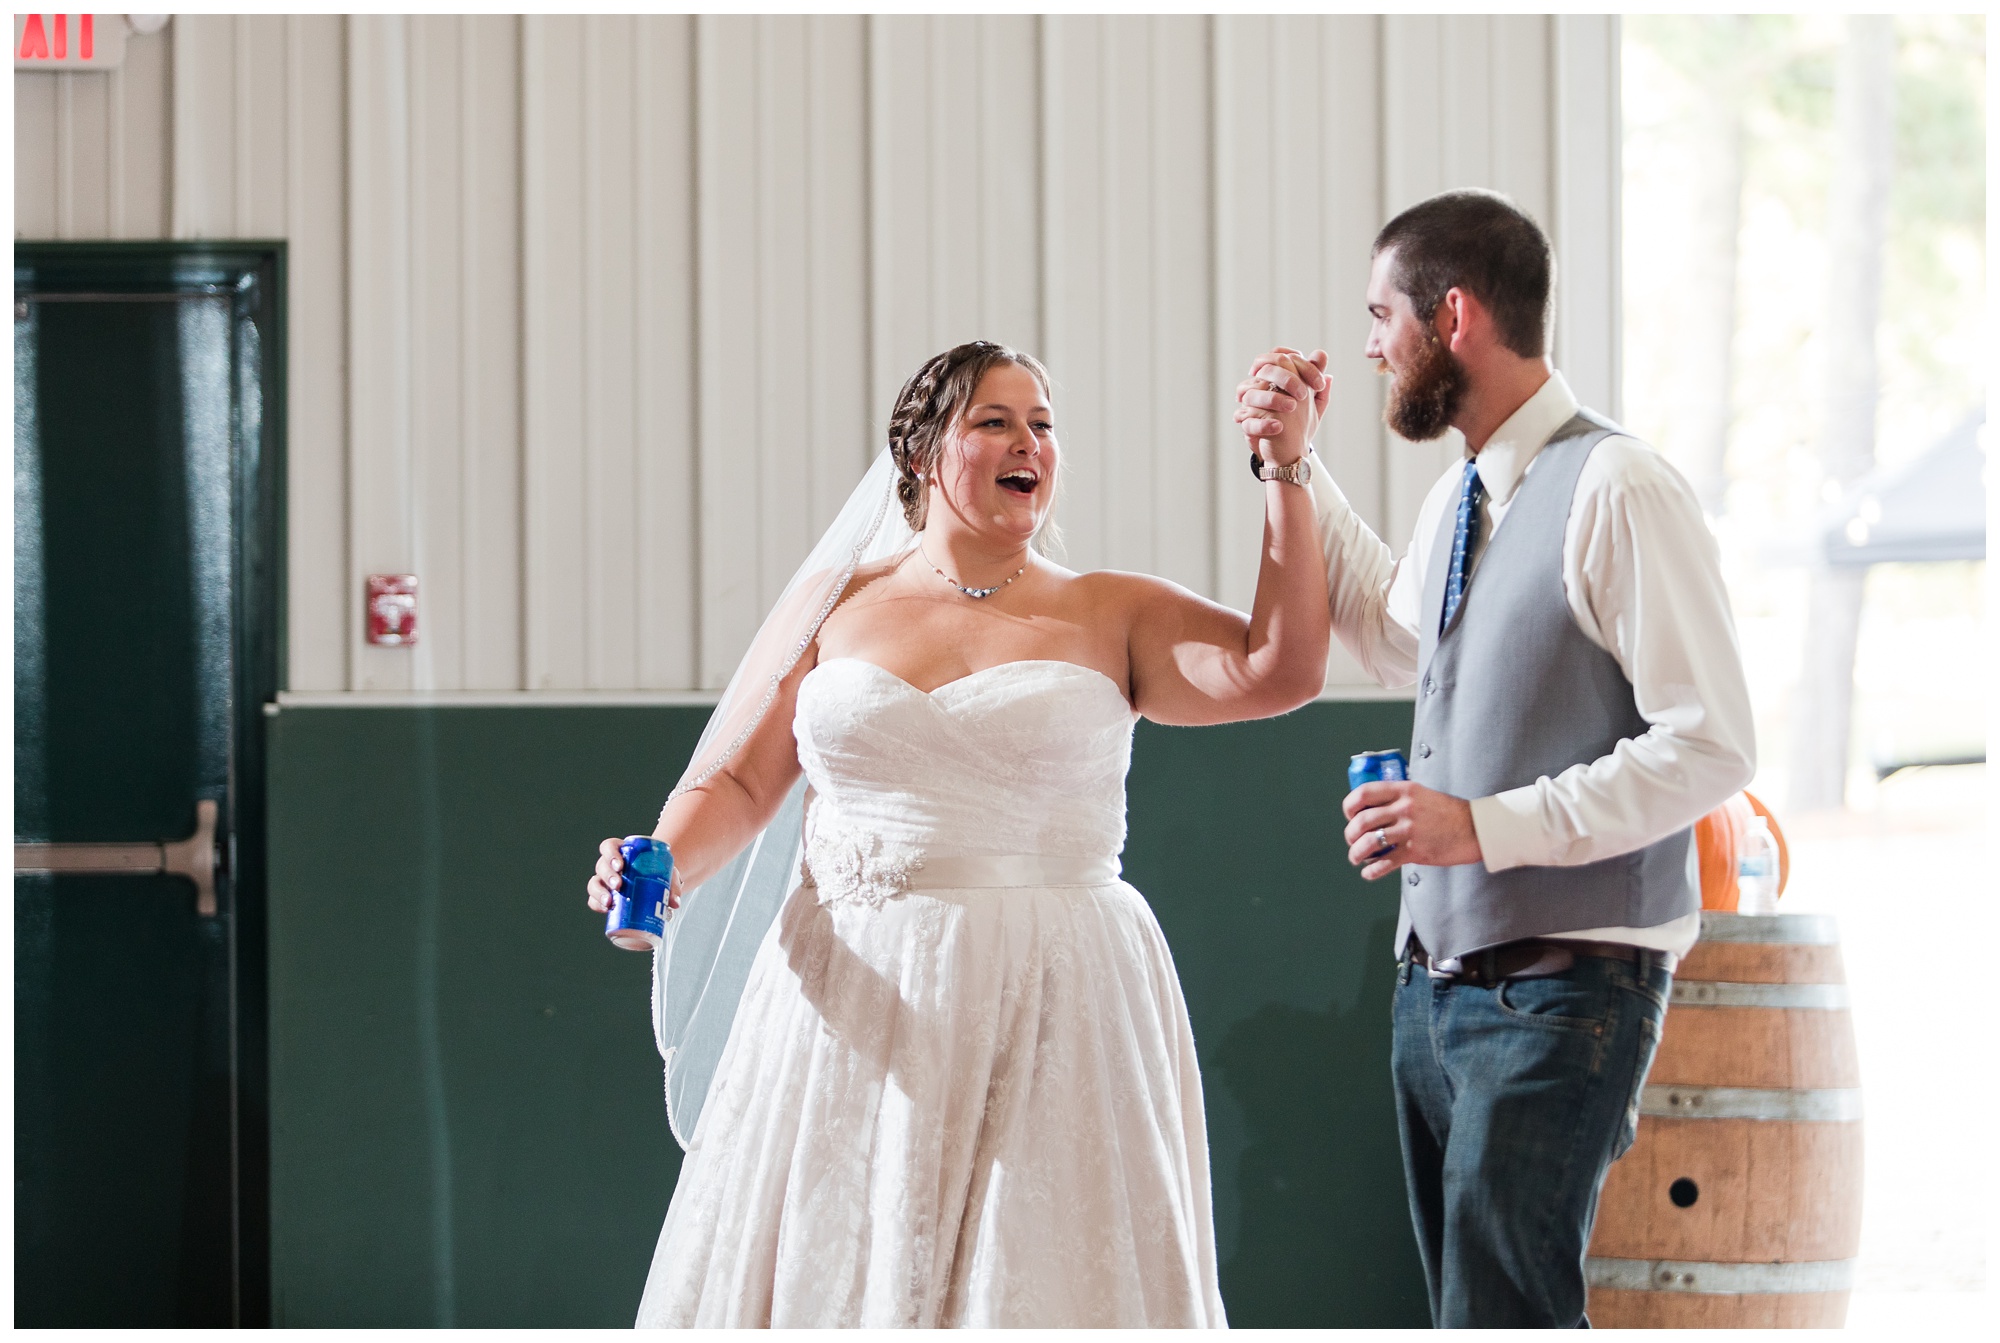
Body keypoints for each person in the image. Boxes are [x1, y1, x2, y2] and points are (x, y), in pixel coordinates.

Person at [588, 340, 1330, 1327]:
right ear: (923, 452)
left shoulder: (1108, 609)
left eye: (1043, 424)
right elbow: (737, 777)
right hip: (857, 985)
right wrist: (665, 864)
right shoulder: (838, 603)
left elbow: (1280, 667)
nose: (1029, 442)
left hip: (1059, 988)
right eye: (995, 421)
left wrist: (1283, 470)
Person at [1233, 190, 1755, 1328]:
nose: (1368, 345)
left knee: (1500, 1317)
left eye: (1382, 316)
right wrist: (1297, 466)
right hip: (1438, 996)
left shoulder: (1620, 488)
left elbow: (1710, 742)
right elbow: (1390, 630)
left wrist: (1481, 826)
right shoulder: (1460, 497)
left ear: (1451, 315)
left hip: (1563, 994)